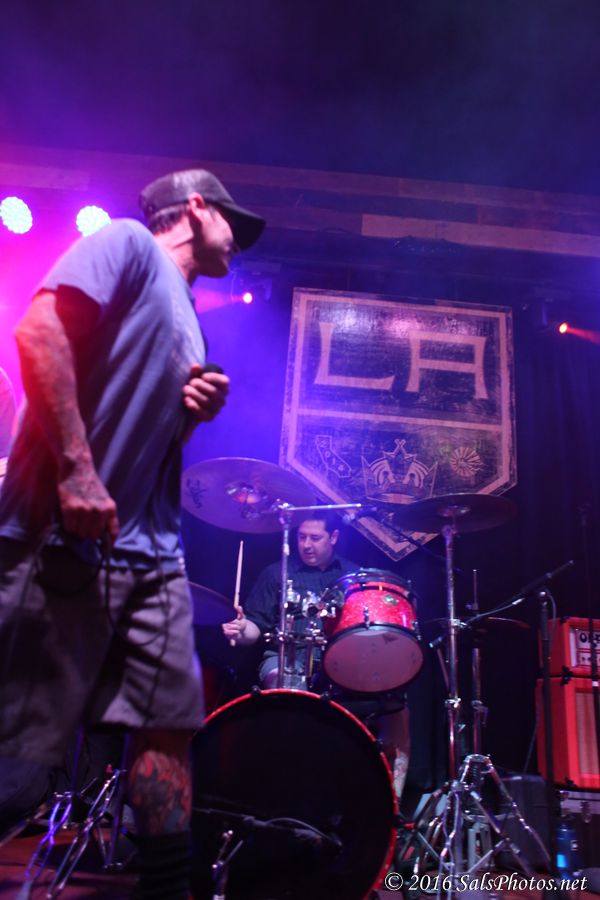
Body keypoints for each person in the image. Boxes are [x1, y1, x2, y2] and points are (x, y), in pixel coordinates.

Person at [0, 168, 265, 899]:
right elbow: (38, 331)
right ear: (195, 208)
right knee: (18, 761)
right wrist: (77, 474)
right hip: (59, 538)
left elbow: (141, 425)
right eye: (231, 222)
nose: (238, 240)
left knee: (168, 728)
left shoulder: (188, 313)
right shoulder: (126, 243)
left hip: (148, 555)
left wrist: (190, 409)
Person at [223, 510, 411, 804]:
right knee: (289, 688)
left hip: (339, 665)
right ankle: (289, 792)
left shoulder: (353, 577)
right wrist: (240, 627)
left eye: (315, 538)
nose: (306, 545)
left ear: (333, 537)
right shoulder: (276, 573)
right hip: (285, 657)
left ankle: (391, 805)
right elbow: (254, 630)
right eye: (301, 537)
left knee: (397, 707)